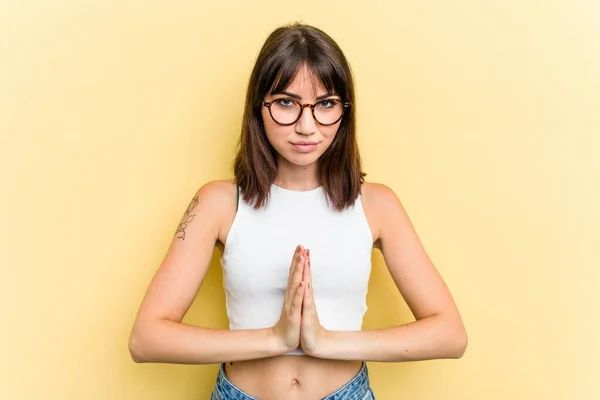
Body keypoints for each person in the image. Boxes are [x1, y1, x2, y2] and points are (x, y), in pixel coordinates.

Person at [128, 23, 468, 400]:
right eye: (286, 103)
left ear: (344, 110)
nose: (306, 127)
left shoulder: (377, 205)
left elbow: (450, 334)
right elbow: (146, 339)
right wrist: (275, 338)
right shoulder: (217, 203)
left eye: (325, 105)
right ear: (259, 107)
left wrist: (325, 342)